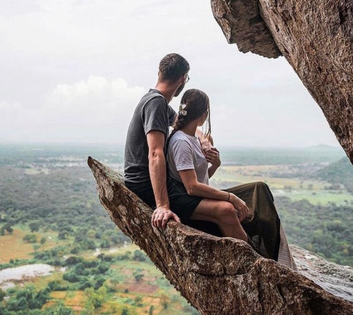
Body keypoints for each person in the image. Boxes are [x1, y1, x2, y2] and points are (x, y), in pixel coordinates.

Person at [166, 88, 297, 269]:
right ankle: (256, 261)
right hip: (189, 199)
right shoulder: (181, 142)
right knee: (230, 207)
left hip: (199, 195)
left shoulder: (193, 138)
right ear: (203, 115)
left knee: (259, 189)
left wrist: (215, 165)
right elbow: (192, 187)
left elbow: (202, 179)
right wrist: (231, 197)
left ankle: (277, 252)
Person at [123, 53, 189, 229]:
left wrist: (204, 141)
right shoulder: (156, 103)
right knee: (224, 210)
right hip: (145, 184)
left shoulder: (157, 101)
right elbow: (155, 153)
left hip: (141, 180)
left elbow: (182, 124)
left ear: (159, 72)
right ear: (183, 78)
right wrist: (162, 206)